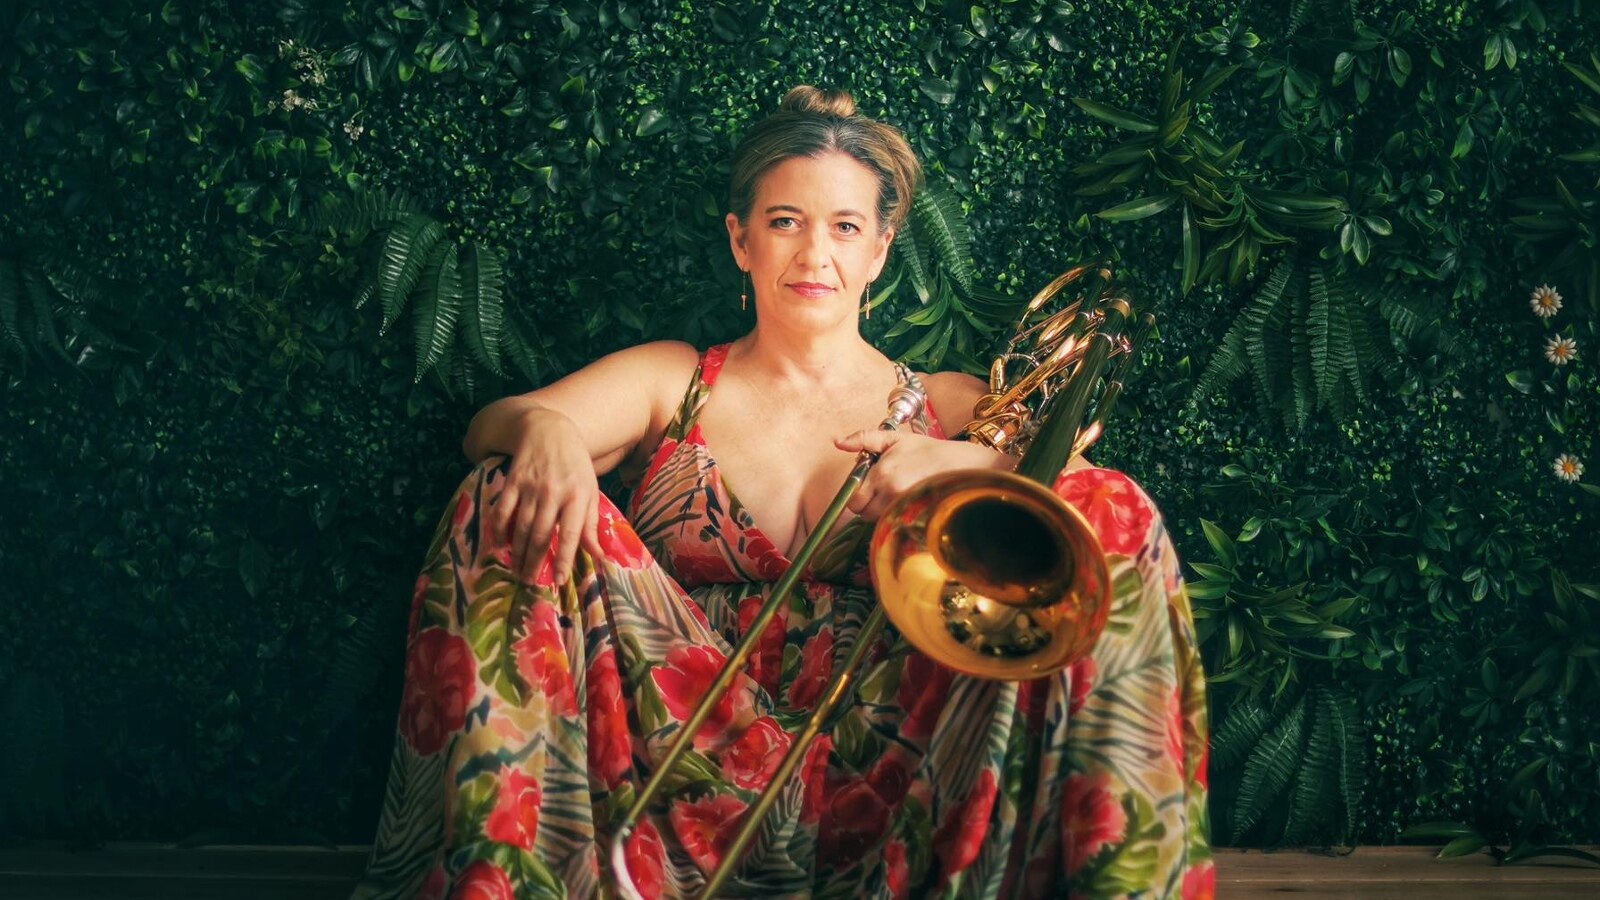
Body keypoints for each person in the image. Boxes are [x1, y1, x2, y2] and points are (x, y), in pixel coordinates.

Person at [352, 85, 1211, 900]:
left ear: (878, 250)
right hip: (672, 764)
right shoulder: (673, 381)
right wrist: (544, 433)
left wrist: (958, 465)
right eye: (786, 223)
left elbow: (1082, 504)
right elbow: (493, 425)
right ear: (742, 240)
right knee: (498, 495)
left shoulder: (949, 405)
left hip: (899, 772)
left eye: (844, 227)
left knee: (1111, 511)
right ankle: (499, 879)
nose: (814, 254)